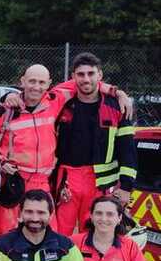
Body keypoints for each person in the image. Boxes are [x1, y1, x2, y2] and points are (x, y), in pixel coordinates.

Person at [0, 64, 128, 238]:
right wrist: (0, 161)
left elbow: (83, 82)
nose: (36, 86)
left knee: (49, 237)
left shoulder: (55, 100)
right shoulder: (4, 111)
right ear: (22, 82)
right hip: (12, 182)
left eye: (41, 82)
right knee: (4, 235)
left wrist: (115, 91)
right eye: (32, 81)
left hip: (41, 182)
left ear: (49, 83)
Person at [52, 53, 137, 234]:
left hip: (101, 184)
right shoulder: (62, 105)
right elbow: (35, 100)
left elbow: (128, 152)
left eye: (91, 74)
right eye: (81, 74)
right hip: (67, 179)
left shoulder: (117, 107)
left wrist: (126, 187)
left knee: (95, 234)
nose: (86, 79)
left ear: (100, 76)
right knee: (60, 234)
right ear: (73, 77)